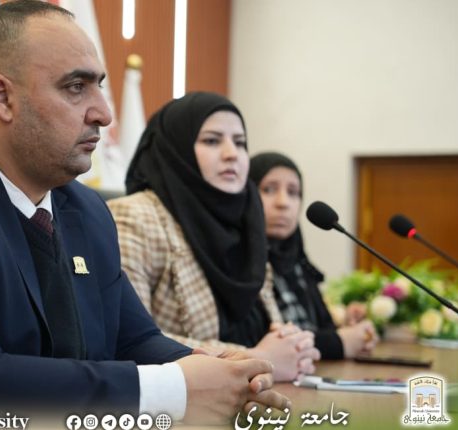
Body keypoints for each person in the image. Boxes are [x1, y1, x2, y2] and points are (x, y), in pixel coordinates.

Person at [0, 1, 288, 423]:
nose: (104, 113)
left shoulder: (86, 209)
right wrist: (174, 389)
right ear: (3, 98)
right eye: (76, 87)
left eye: (100, 86)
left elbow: (133, 340)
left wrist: (218, 373)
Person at [107, 92, 320, 382]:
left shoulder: (246, 225)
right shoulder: (135, 217)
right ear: (176, 149)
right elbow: (130, 338)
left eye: (240, 142)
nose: (232, 153)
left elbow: (272, 332)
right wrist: (258, 359)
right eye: (212, 141)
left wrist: (296, 348)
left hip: (259, 396)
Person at [249, 151, 378, 359]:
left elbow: (315, 327)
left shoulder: (298, 264)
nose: (283, 202)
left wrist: (345, 326)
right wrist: (338, 342)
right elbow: (257, 344)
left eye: (293, 192)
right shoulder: (239, 263)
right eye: (269, 189)